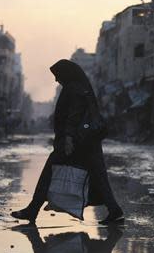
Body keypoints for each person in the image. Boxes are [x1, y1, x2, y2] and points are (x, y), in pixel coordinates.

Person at [11, 59, 124, 225]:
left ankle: (32, 210)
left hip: (75, 141)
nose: (56, 80)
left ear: (66, 74)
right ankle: (115, 210)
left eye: (57, 76)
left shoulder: (74, 89)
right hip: (87, 141)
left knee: (49, 173)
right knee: (99, 176)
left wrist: (69, 138)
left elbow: (74, 115)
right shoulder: (81, 87)